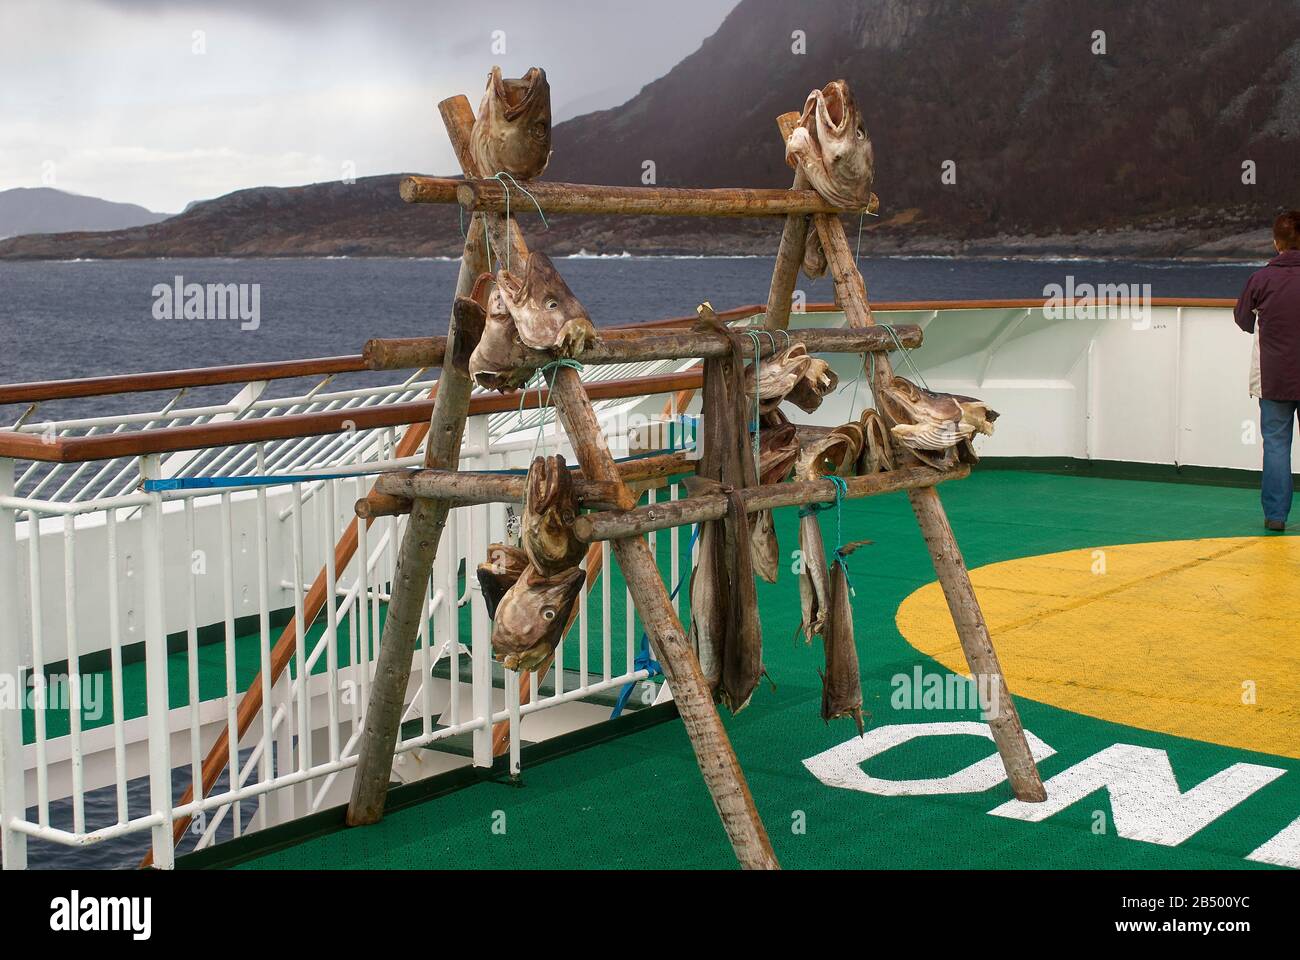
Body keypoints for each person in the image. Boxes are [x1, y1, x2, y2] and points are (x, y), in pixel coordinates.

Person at [1235, 210, 1300, 531]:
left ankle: (1276, 516)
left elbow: (1244, 321)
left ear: (1277, 243)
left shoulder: (1261, 279)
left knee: (1276, 445)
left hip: (1274, 378)